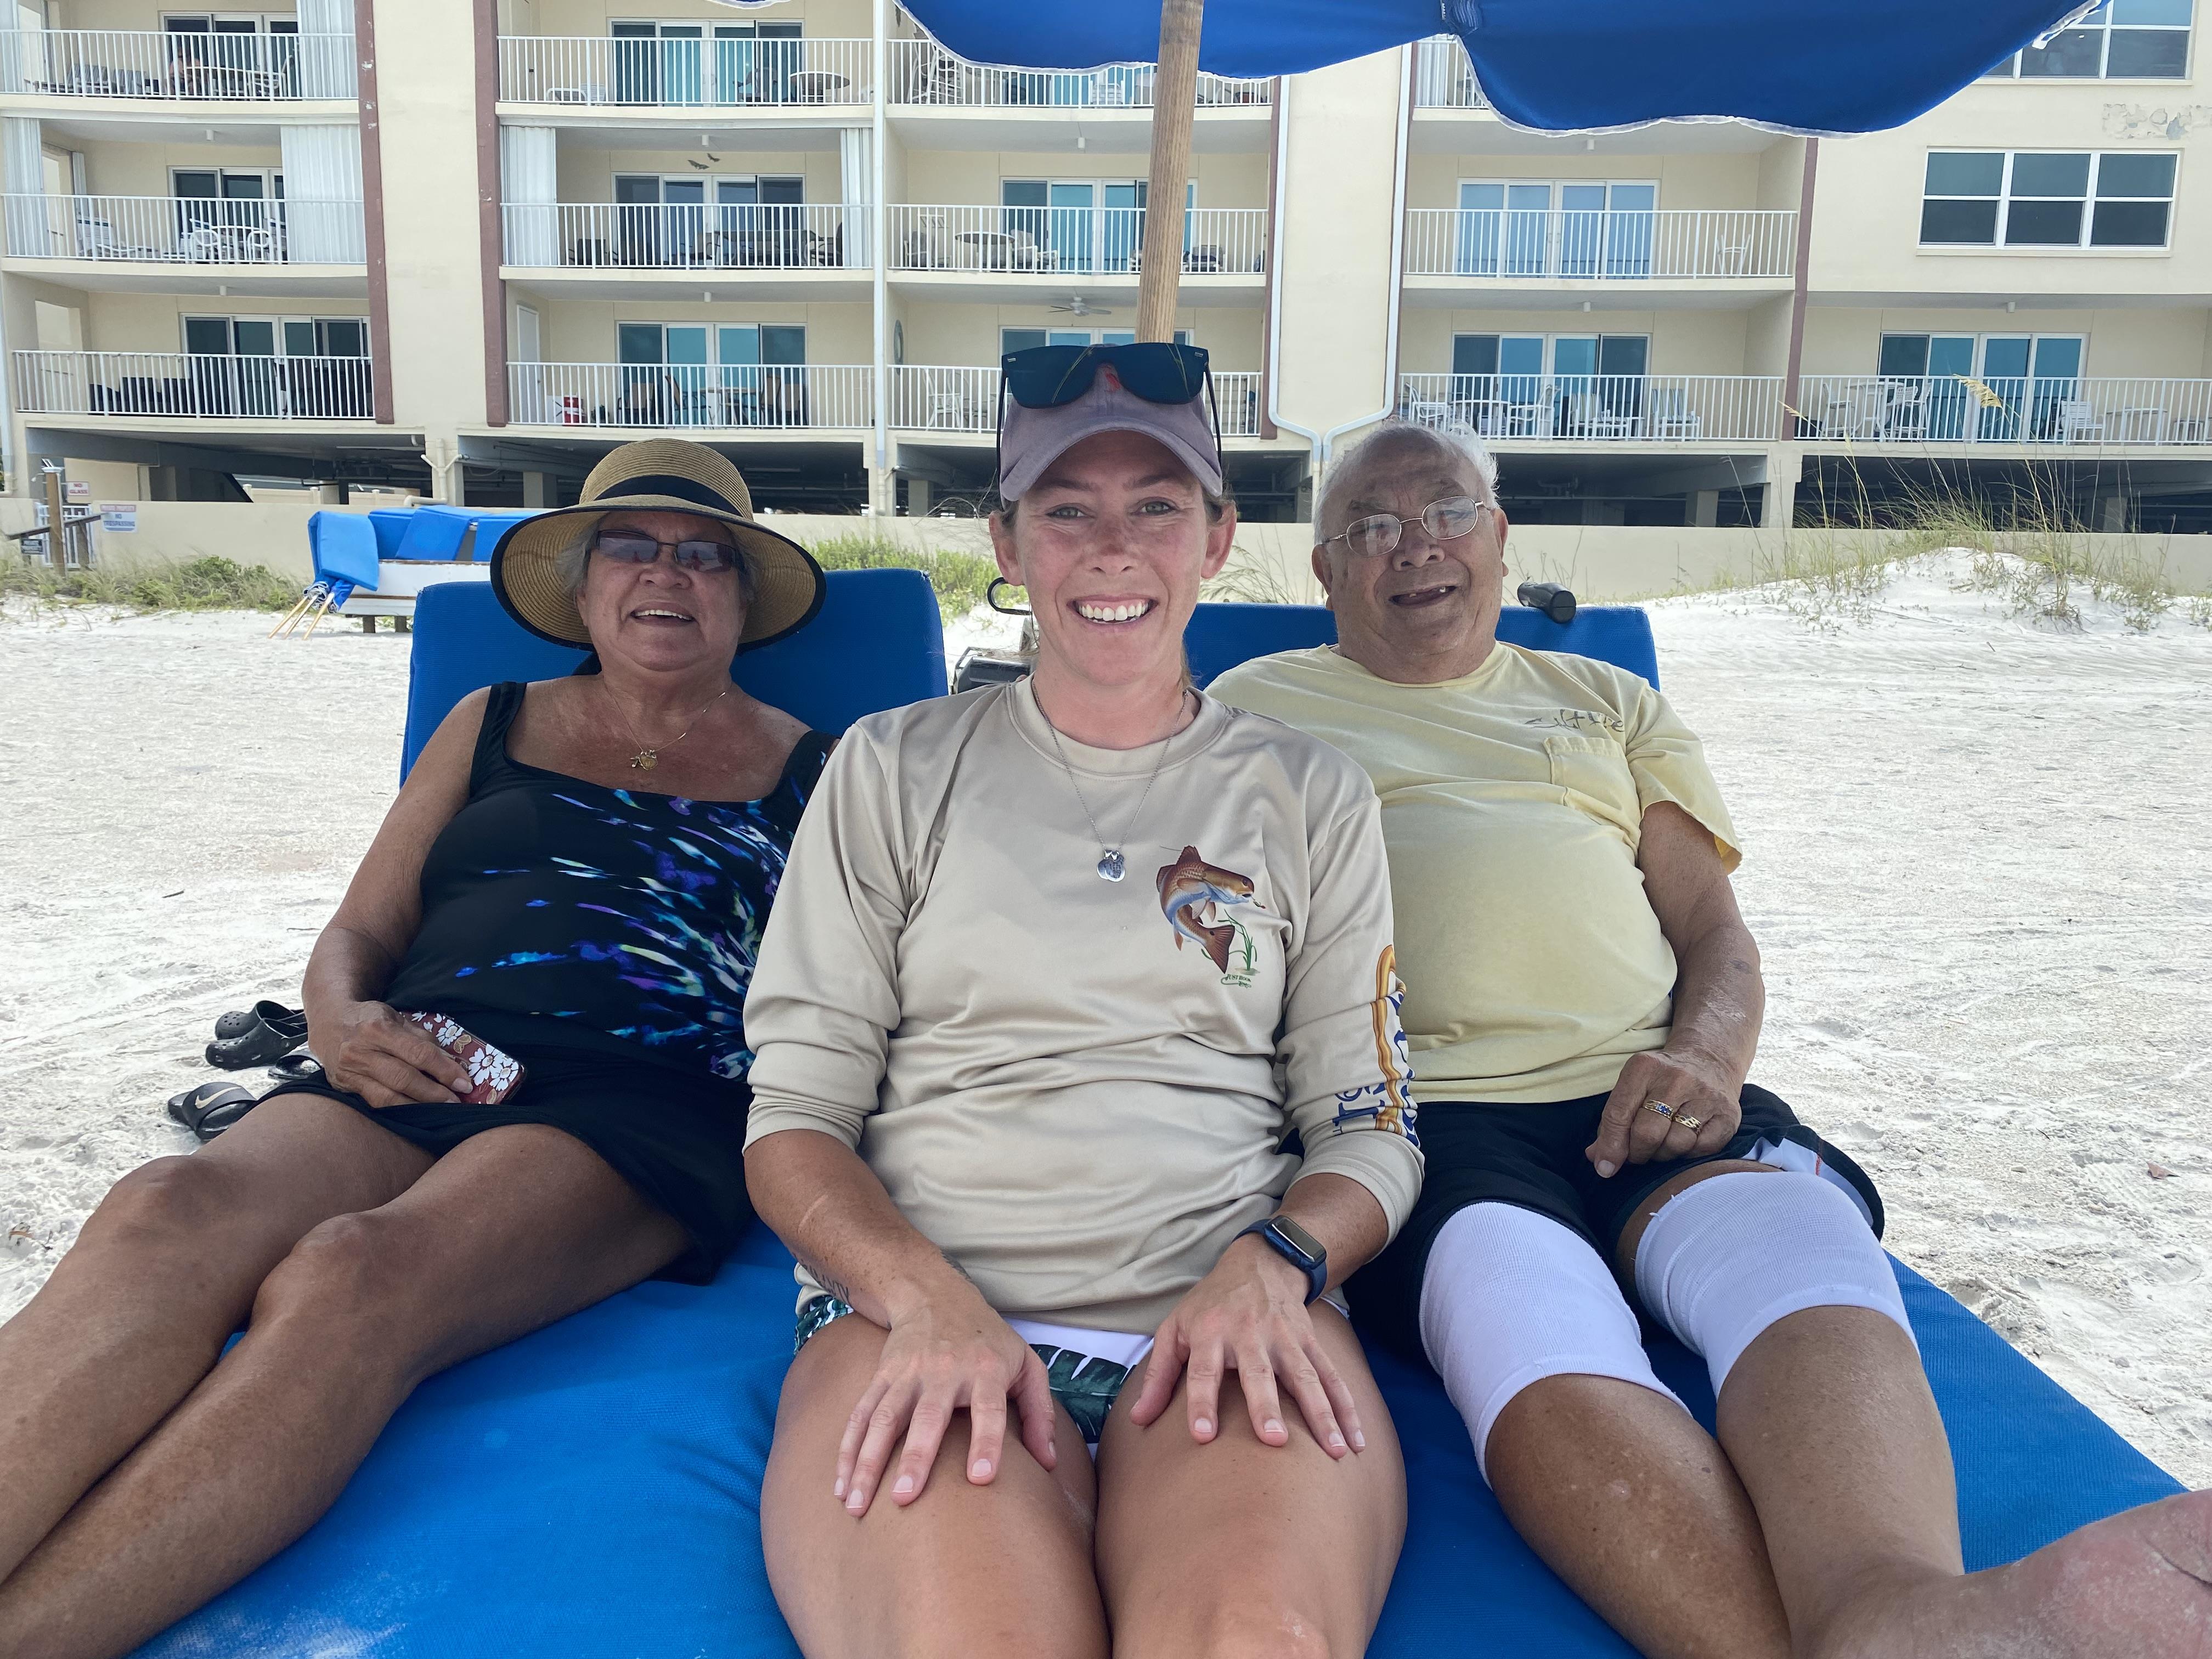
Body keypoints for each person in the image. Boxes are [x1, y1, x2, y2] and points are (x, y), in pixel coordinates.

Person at [1209, 418, 2210, 1659]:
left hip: (1649, 1083)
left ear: (1502, 535)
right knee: (1519, 1308)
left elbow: (1715, 936)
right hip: (1425, 1122)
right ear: (1323, 571)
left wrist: (1706, 1058)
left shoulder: (1607, 700)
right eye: (1372, 527)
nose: (1417, 547)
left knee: (1793, 1240)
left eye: (1448, 511)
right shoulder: (1251, 711)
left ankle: (1895, 1611)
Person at [0, 439, 830, 1659]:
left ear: (743, 597)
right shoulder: (488, 719)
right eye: (634, 549)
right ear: (586, 584)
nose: (670, 575)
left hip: (638, 1100)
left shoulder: (816, 768)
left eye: (705, 555)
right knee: (161, 1204)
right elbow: (362, 928)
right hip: (410, 1055)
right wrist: (339, 1020)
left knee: (355, 1277)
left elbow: (851, 992)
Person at [741, 343, 1425, 1657]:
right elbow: (796, 1121)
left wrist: (1272, 1267)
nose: (1115, 549)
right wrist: (917, 1293)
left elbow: (1370, 1126)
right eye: (1068, 511)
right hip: (920, 1309)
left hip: (1231, 1311)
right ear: (1007, 539)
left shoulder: (1308, 794)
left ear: (1219, 539)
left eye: (1157, 507)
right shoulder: (892, 769)